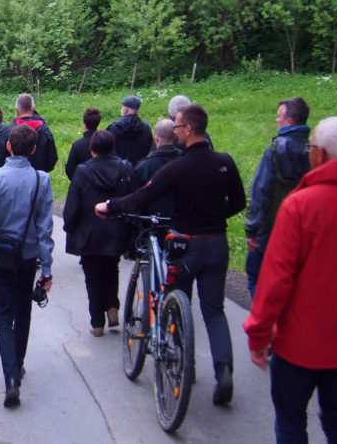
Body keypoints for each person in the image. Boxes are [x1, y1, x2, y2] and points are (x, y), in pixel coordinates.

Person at [244, 116, 337, 444]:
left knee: (291, 423)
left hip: (298, 346)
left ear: (320, 155)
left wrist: (259, 333)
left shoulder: (300, 205)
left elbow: (275, 280)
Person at [95, 104, 246, 406]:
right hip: (216, 243)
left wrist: (109, 206)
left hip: (185, 244)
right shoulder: (224, 162)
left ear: (188, 130)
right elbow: (239, 202)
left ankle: (183, 365)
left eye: (177, 126)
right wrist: (216, 216)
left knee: (176, 301)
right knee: (214, 311)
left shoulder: (176, 169)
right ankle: (224, 369)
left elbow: (141, 197)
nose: (175, 131)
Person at [0, 123, 55, 408]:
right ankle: (17, 365)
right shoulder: (42, 180)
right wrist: (46, 269)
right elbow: (45, 228)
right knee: (23, 311)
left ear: (8, 146)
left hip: (2, 256)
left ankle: (10, 378)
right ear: (33, 149)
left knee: (2, 316)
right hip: (29, 257)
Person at [62, 130, 135, 336]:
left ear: (92, 149)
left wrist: (70, 226)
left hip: (89, 232)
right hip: (116, 230)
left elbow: (73, 204)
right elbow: (133, 198)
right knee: (112, 269)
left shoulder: (83, 171)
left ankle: (96, 321)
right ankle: (112, 306)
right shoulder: (125, 168)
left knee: (92, 277)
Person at [244, 97, 310, 298]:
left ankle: (264, 323)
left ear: (289, 121)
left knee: (255, 276)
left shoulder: (274, 149)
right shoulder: (313, 149)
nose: (276, 120)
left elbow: (260, 191)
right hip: (301, 228)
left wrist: (251, 229)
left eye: (279, 116)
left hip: (269, 228)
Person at [0, 94, 58, 174]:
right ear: (33, 109)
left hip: (14, 176)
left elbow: (0, 157)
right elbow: (52, 157)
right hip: (37, 176)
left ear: (17, 110)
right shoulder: (44, 129)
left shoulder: (10, 130)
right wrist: (43, 170)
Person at [133, 118, 181, 218]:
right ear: (175, 136)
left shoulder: (144, 166)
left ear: (156, 138)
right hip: (182, 221)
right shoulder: (186, 161)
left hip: (153, 223)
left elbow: (136, 198)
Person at [106, 95, 153, 165]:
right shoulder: (146, 128)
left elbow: (108, 151)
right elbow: (149, 150)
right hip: (140, 169)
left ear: (125, 110)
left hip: (118, 170)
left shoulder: (113, 128)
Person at [65, 107, 101, 180]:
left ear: (84, 125)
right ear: (98, 123)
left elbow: (69, 168)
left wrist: (77, 182)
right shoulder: (104, 142)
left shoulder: (77, 145)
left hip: (83, 183)